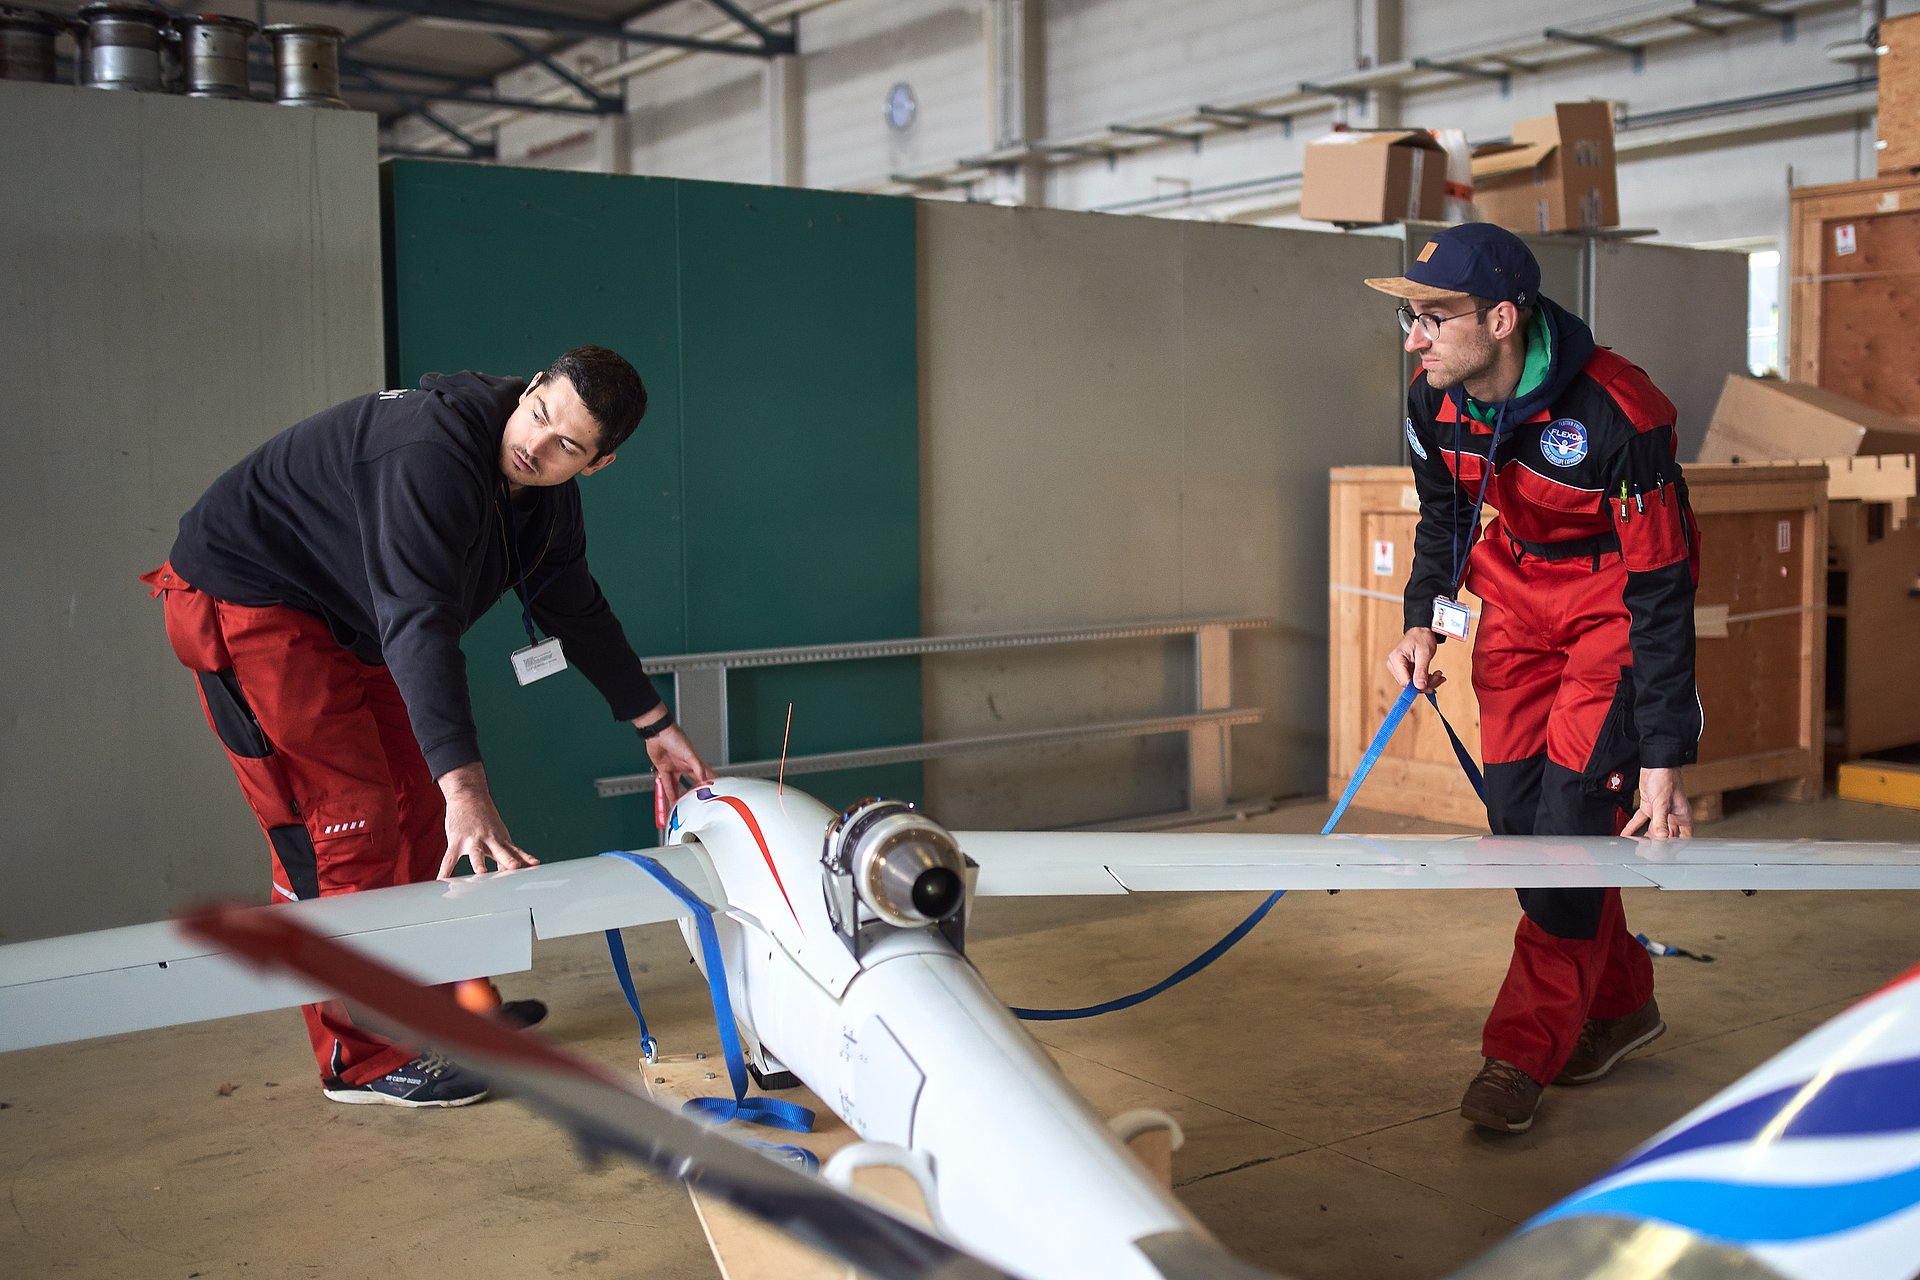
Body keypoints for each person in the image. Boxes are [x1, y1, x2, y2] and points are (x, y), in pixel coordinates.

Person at [142, 346, 714, 1108]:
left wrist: (652, 721)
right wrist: (468, 787)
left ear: (597, 463)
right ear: (531, 386)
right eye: (539, 416)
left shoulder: (544, 502)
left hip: (352, 615)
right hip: (255, 598)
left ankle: (440, 1011)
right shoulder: (428, 451)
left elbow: (573, 605)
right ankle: (364, 1058)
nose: (536, 447)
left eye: (566, 447)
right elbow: (419, 624)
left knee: (419, 814)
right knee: (346, 827)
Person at [1364, 225, 1701, 1134]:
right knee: (1523, 824)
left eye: (1433, 317)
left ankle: (1522, 1051)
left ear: (1502, 318)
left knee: (1563, 837)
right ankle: (1625, 1003)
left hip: (1610, 618)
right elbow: (1444, 519)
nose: (1414, 337)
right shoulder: (1433, 404)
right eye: (1411, 315)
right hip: (1511, 612)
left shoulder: (1620, 414)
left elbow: (1663, 587)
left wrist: (1665, 751)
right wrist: (1421, 619)